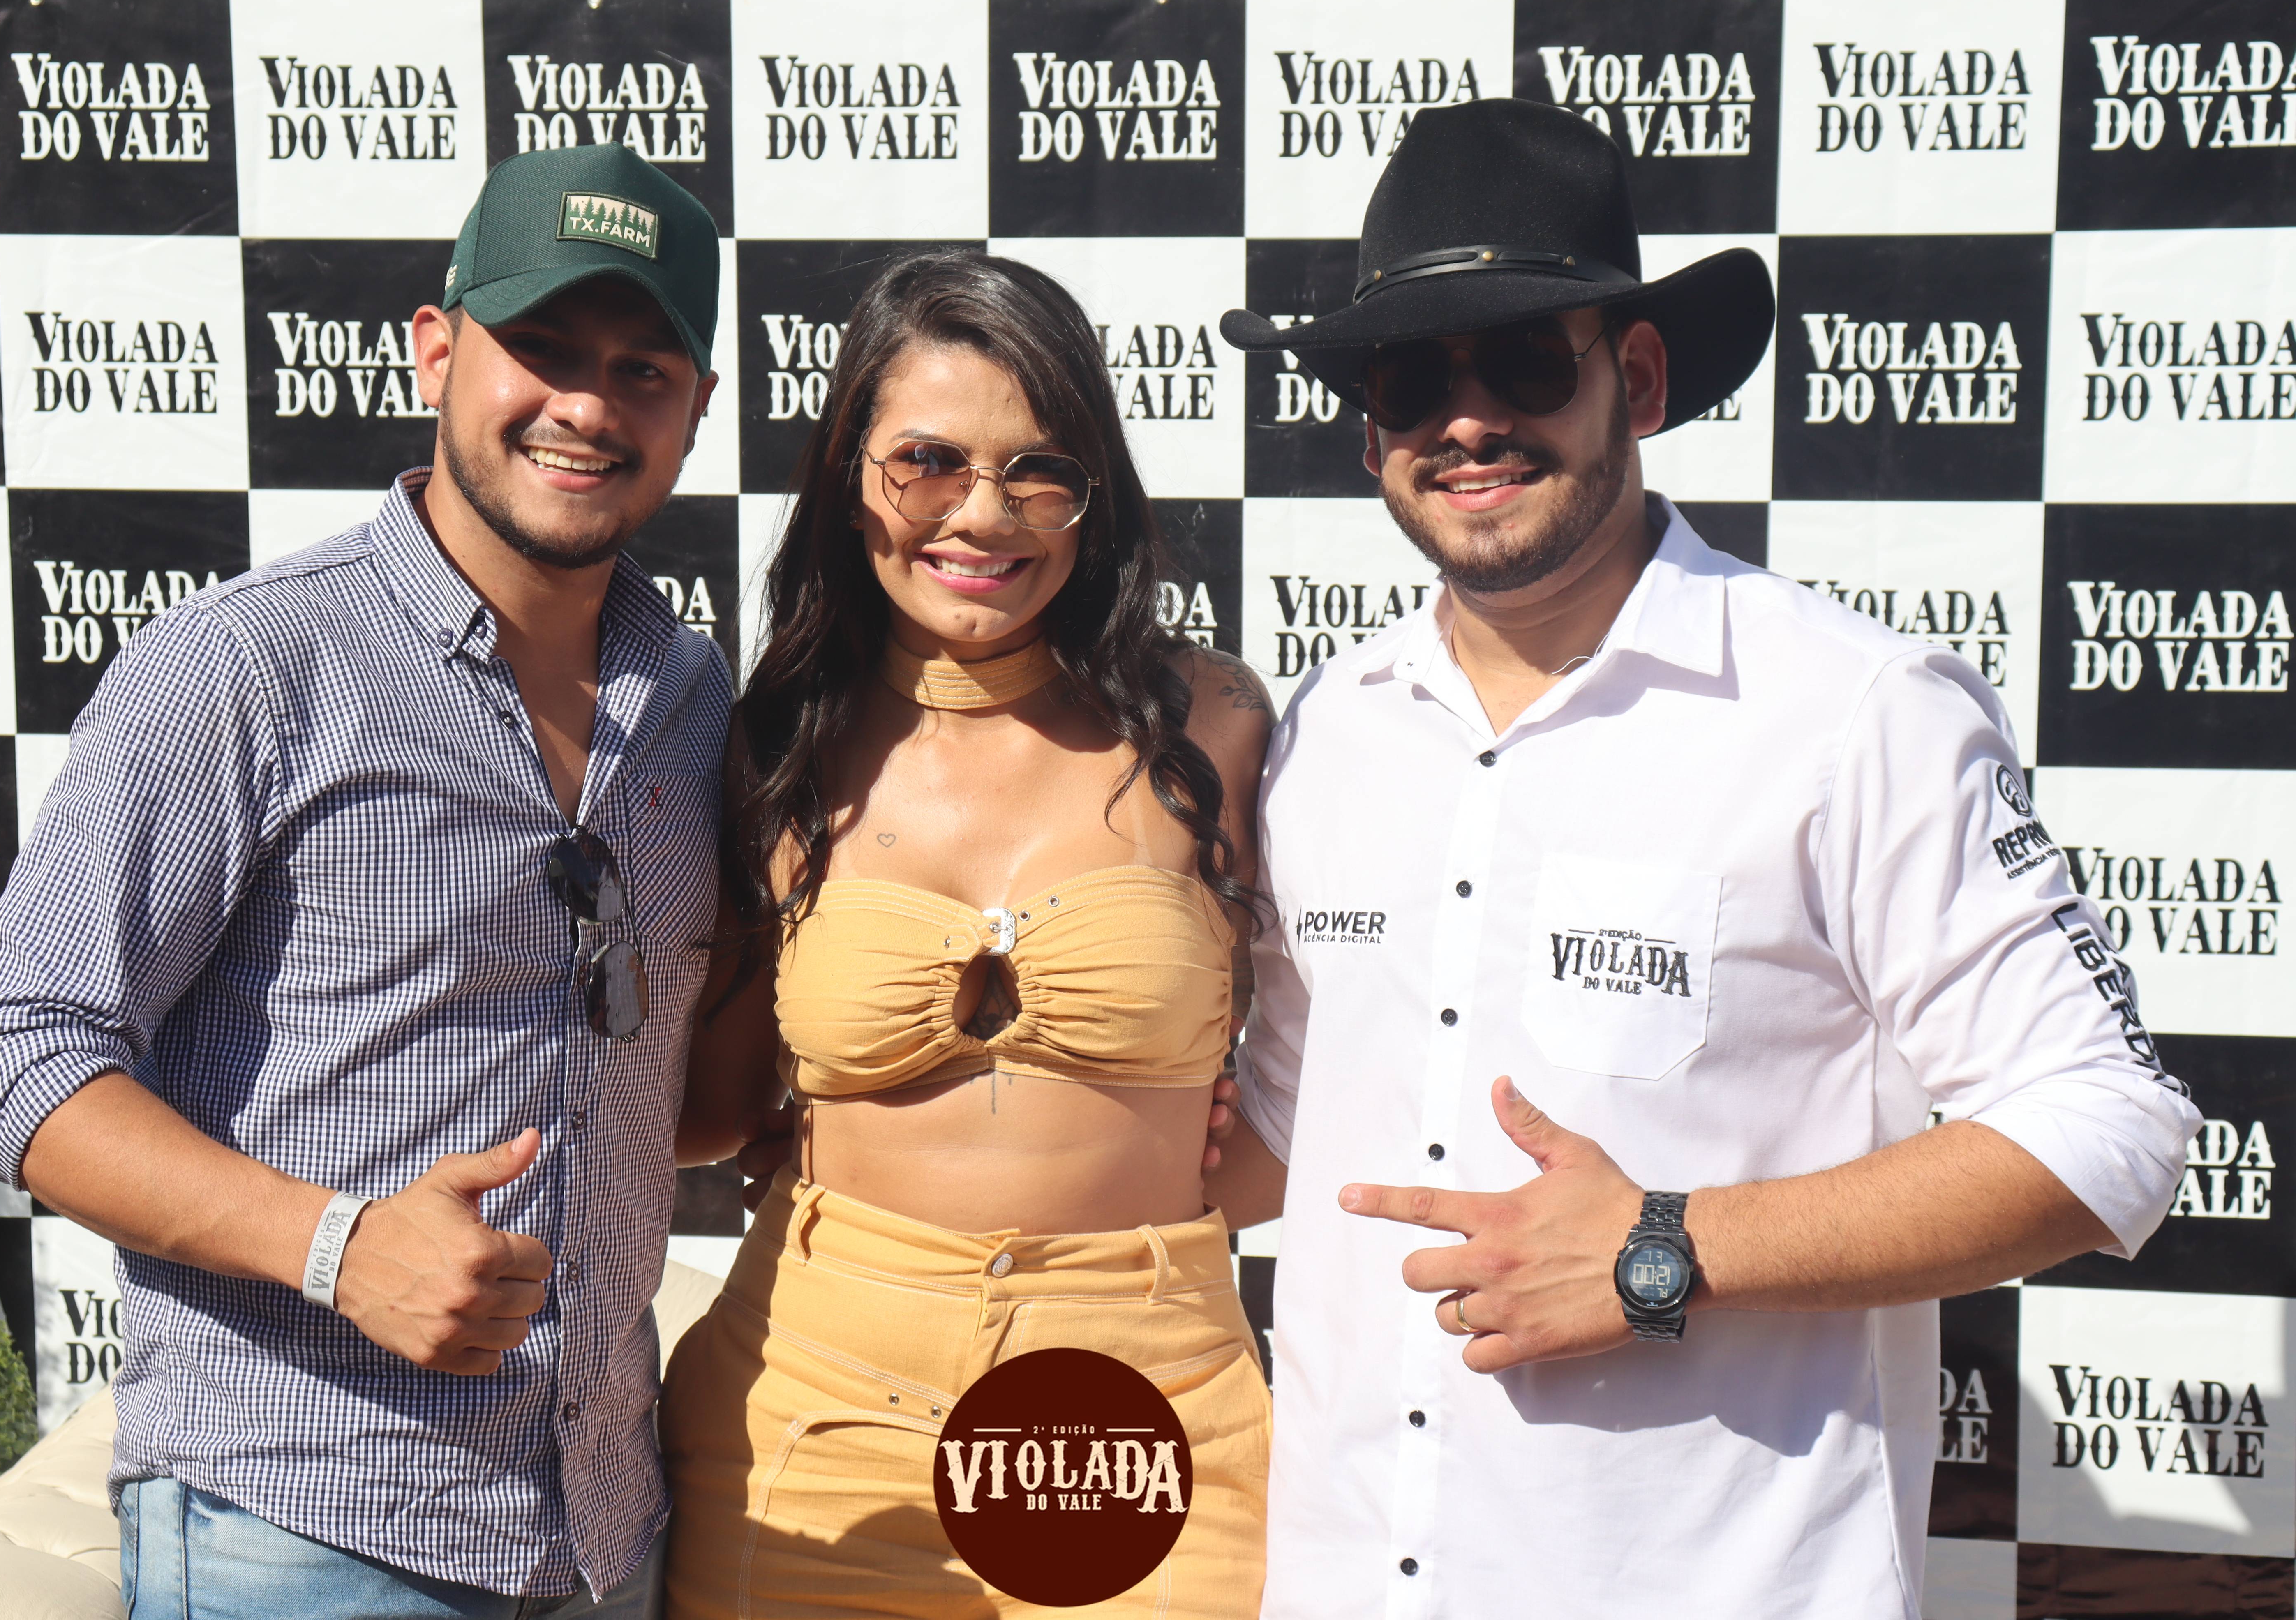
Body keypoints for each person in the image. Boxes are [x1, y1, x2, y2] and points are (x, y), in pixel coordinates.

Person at [1205, 99, 2202, 1618]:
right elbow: (1287, 1131)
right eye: (1413, 378)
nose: (1468, 422)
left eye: (1527, 360)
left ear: (1644, 378)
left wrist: (1662, 1250)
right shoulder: (1326, 731)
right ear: (1369, 431)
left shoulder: (1855, 711)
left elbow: (2109, 1127)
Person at [0, 145, 727, 1620]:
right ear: (436, 349)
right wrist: (339, 1249)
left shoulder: (692, 702)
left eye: (642, 369)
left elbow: (659, 1085)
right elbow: (6, 1060)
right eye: (542, 346)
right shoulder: (248, 665)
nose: (586, 406)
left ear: (697, 408)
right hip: (304, 1531)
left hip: (606, 1531)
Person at [660, 248, 1273, 1619]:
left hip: (1149, 1411)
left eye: (1040, 472)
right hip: (821, 1404)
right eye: (927, 462)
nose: (983, 516)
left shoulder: (1216, 724)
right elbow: (708, 1111)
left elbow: (1369, 1022)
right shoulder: (774, 744)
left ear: (1094, 496)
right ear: (850, 477)